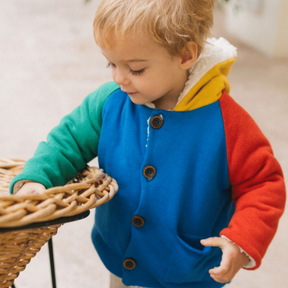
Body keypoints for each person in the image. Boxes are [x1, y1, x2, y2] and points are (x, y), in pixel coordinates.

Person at [10, 0, 286, 287]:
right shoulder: (109, 102)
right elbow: (67, 141)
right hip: (122, 259)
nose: (118, 77)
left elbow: (263, 184)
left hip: (188, 271)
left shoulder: (228, 124)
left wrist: (241, 241)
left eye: (136, 69)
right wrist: (37, 176)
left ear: (185, 56)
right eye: (111, 63)